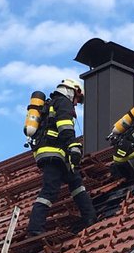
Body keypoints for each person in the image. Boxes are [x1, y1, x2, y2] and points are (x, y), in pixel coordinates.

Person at [25, 78, 97, 236]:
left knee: (76, 183)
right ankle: (34, 228)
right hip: (55, 154)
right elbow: (65, 127)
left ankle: (90, 217)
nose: (76, 103)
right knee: (49, 191)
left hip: (54, 153)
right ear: (72, 91)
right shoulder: (63, 103)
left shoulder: (50, 104)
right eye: (77, 99)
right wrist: (73, 146)